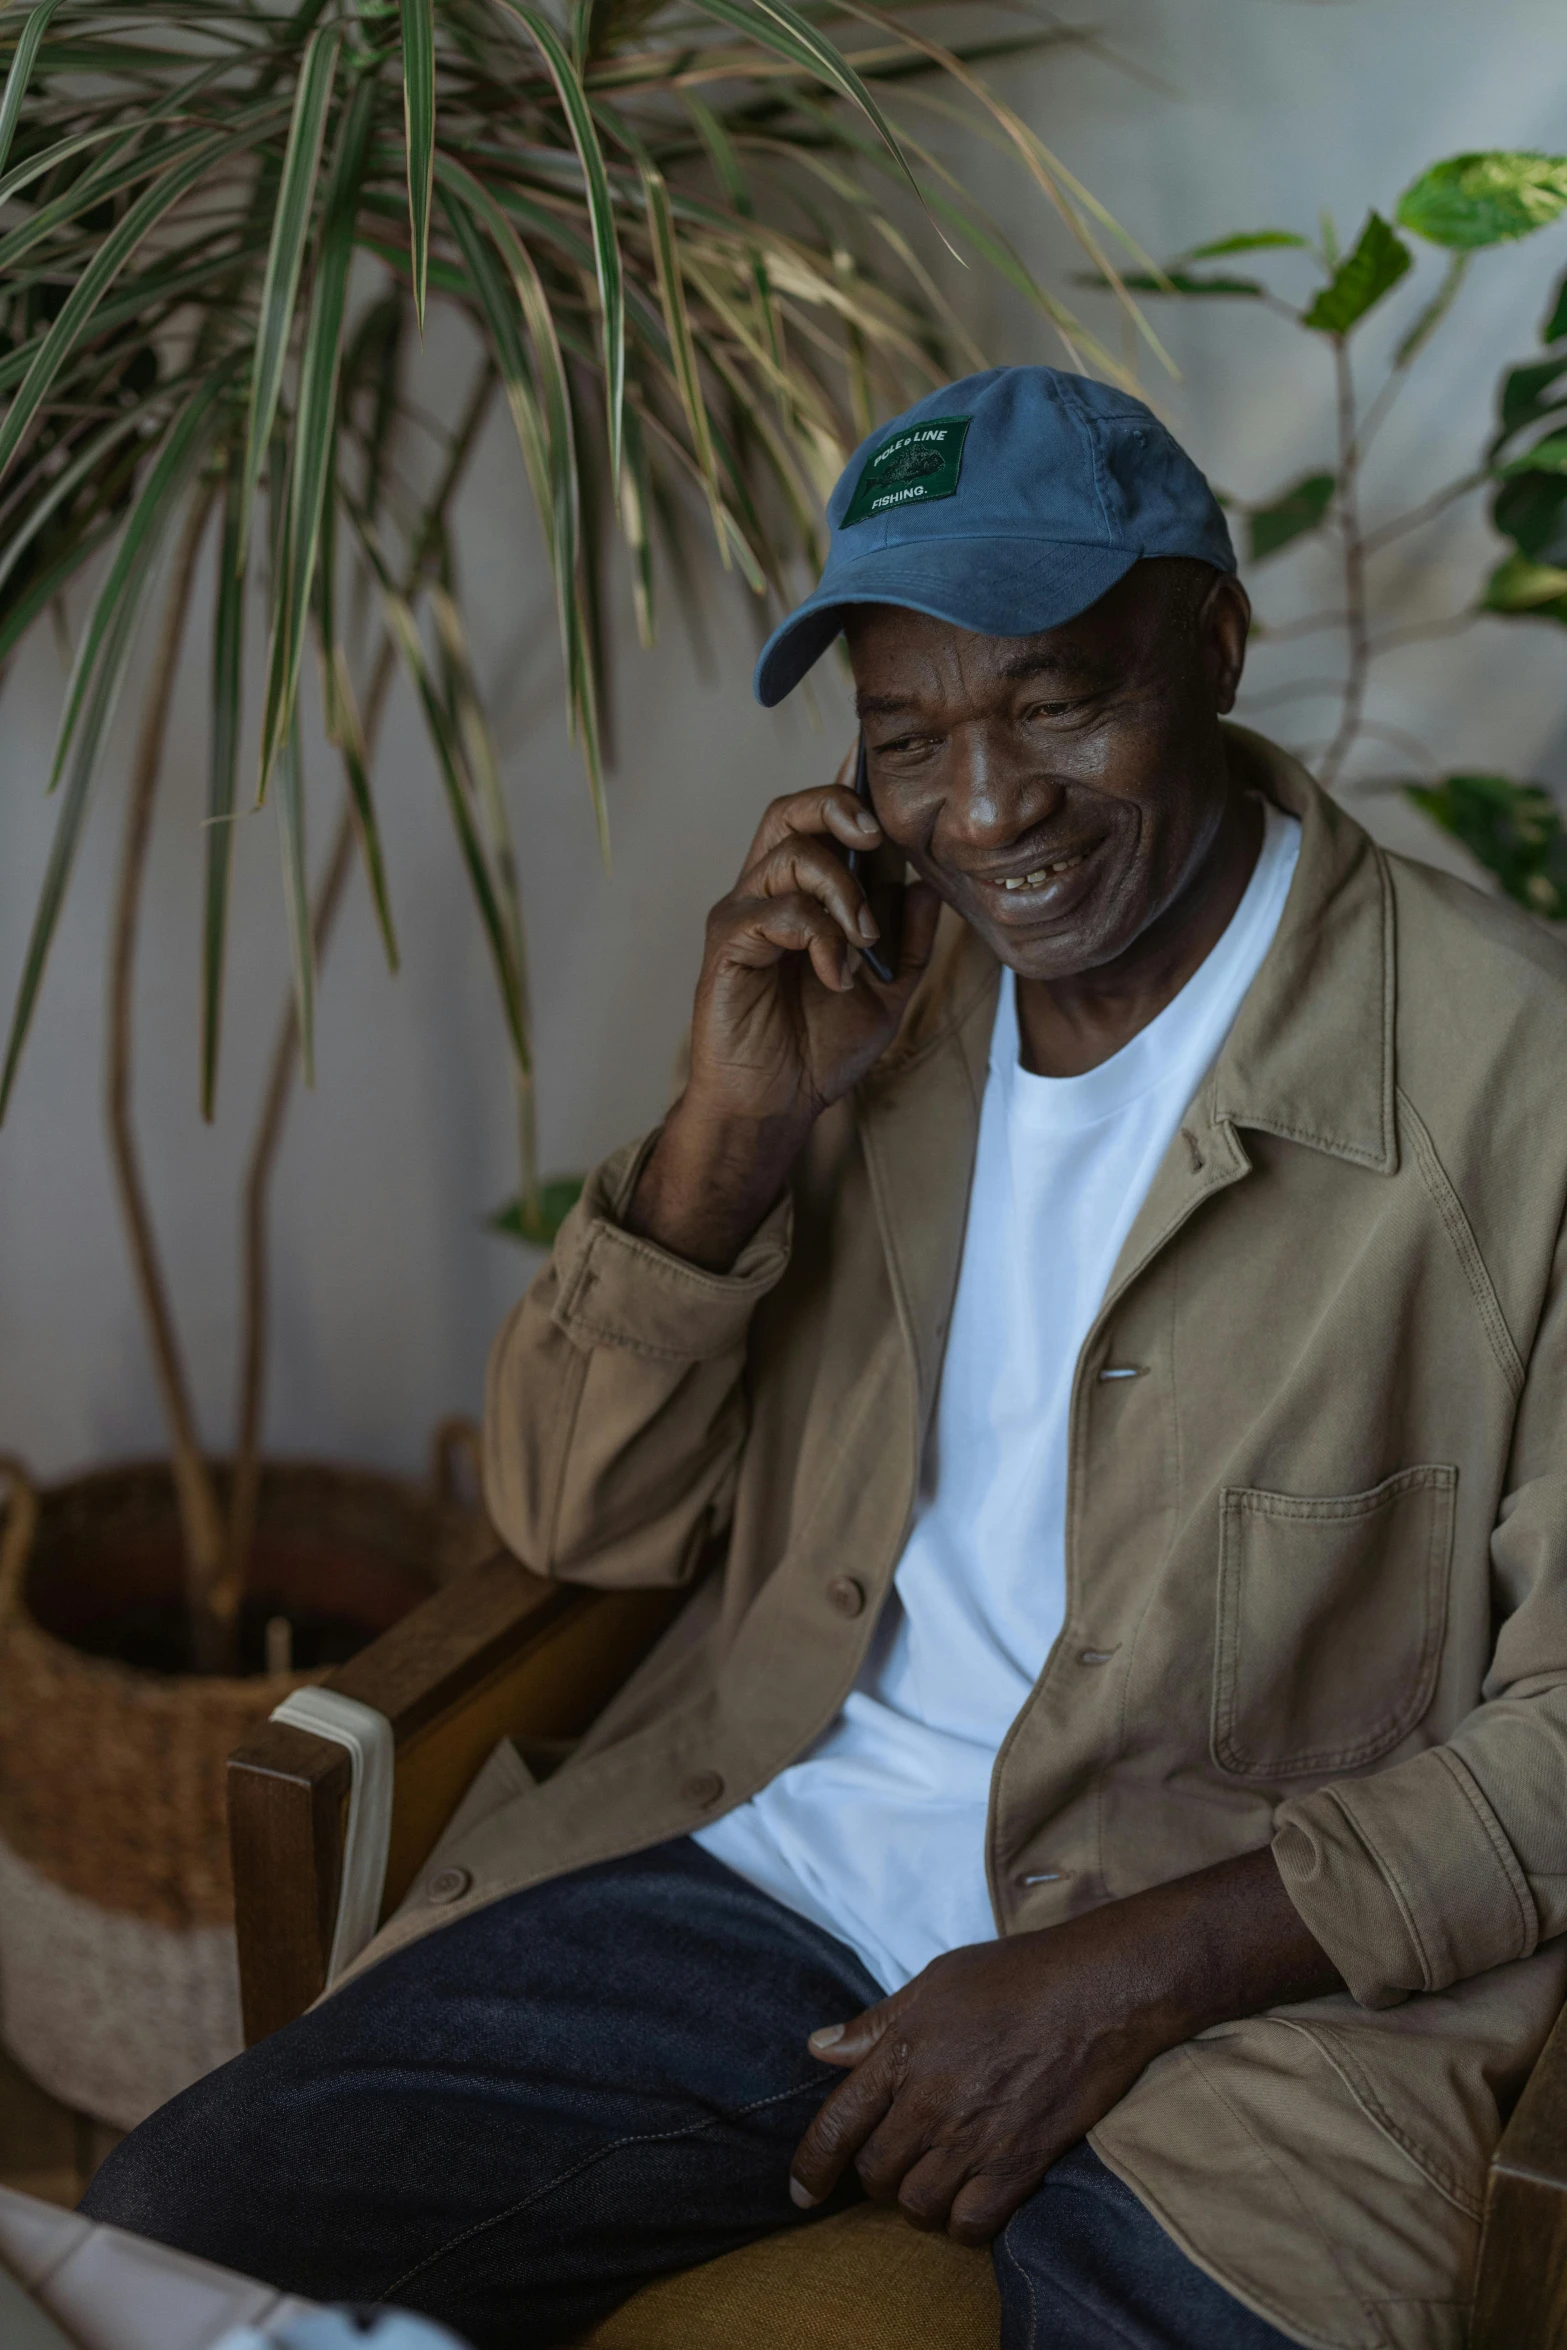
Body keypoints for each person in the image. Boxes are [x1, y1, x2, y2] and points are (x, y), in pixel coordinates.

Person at [85, 367, 1567, 2350]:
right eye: (909, 738)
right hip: (783, 1877)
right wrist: (731, 1133)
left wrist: (1128, 1971)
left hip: (1266, 2007)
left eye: (1057, 701)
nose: (984, 810)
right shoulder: (870, 1001)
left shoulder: (1510, 1078)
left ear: (1211, 640)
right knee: (177, 2224)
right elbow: (565, 1515)